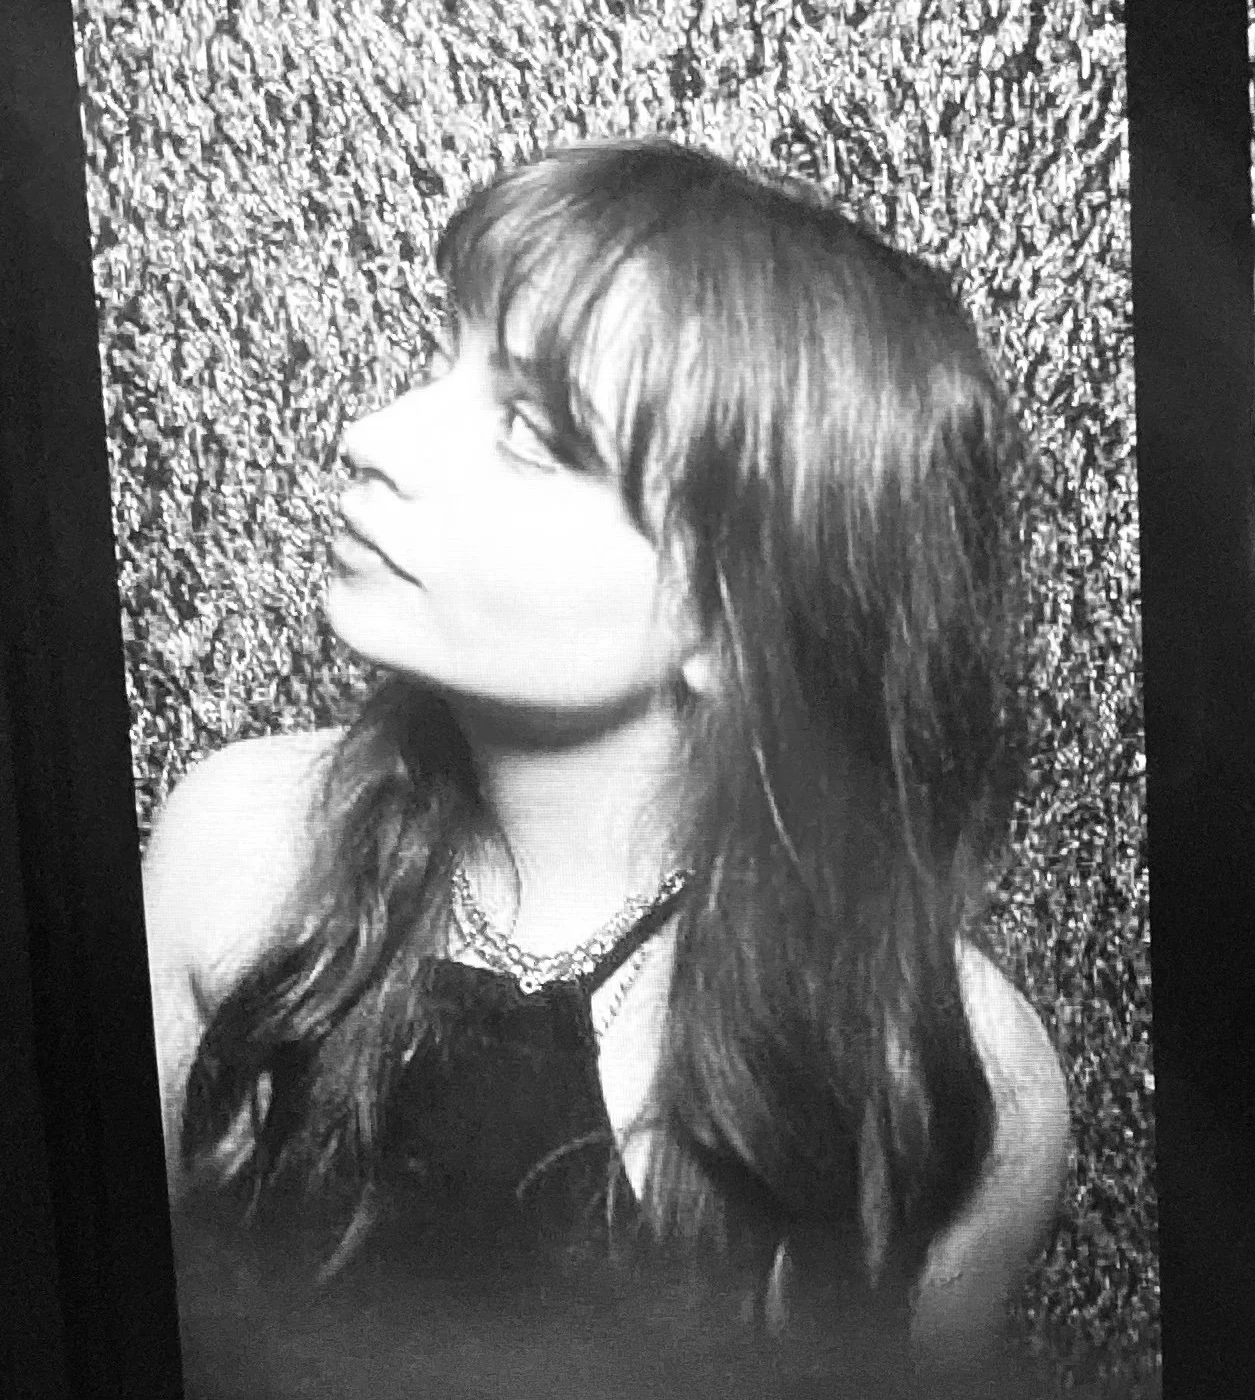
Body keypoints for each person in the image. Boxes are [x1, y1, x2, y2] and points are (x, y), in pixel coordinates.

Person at [140, 140, 1071, 1389]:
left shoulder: (946, 1073)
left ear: (737, 622)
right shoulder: (240, 852)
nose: (371, 435)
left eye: (531, 428)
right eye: (444, 357)